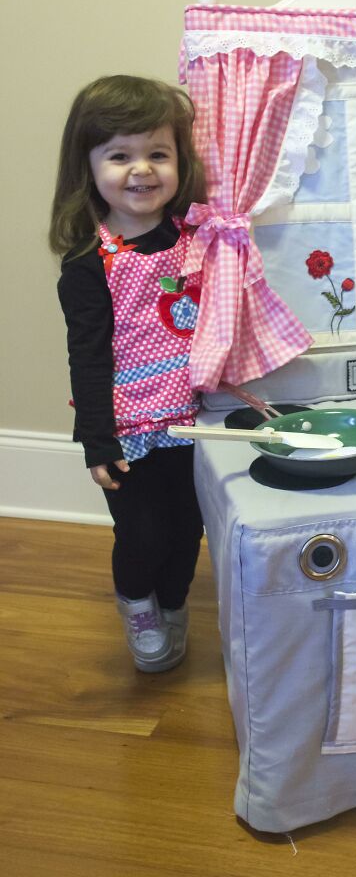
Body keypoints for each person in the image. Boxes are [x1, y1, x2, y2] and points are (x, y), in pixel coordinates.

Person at [52, 75, 208, 673]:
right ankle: (139, 605)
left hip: (194, 423)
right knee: (143, 534)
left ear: (179, 161)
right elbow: (87, 356)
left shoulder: (198, 240)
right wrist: (97, 440)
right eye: (120, 156)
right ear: (88, 167)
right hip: (130, 431)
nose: (141, 169)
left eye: (157, 154)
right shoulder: (87, 264)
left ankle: (173, 603)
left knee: (187, 529)